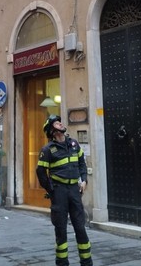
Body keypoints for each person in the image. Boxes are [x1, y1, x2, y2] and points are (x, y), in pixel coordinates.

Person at [36, 114, 92, 266]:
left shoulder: (73, 144)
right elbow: (40, 172)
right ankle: (62, 263)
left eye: (59, 122)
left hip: (74, 190)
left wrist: (84, 180)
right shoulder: (48, 150)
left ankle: (86, 262)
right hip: (59, 192)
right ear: (52, 131)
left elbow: (82, 163)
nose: (60, 124)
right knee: (61, 230)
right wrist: (51, 189)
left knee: (80, 227)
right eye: (56, 123)